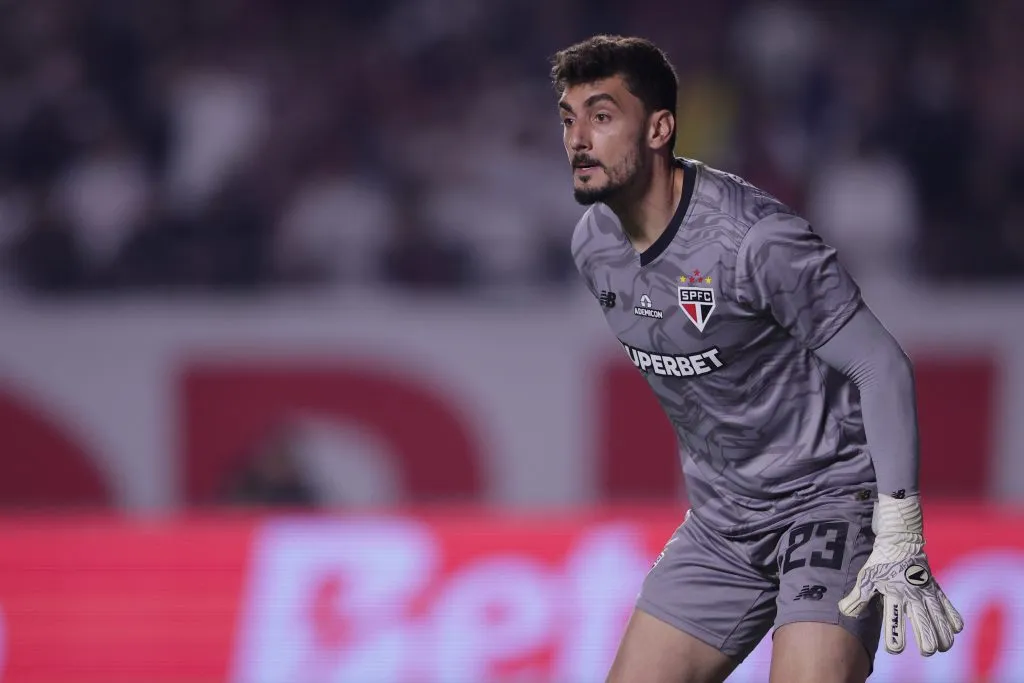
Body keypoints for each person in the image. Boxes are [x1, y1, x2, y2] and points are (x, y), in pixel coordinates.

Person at [552, 35, 963, 683]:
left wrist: (899, 529)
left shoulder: (756, 240)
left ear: (659, 129)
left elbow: (881, 365)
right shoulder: (593, 246)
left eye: (601, 116)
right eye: (569, 118)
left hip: (827, 502)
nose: (578, 139)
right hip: (722, 525)